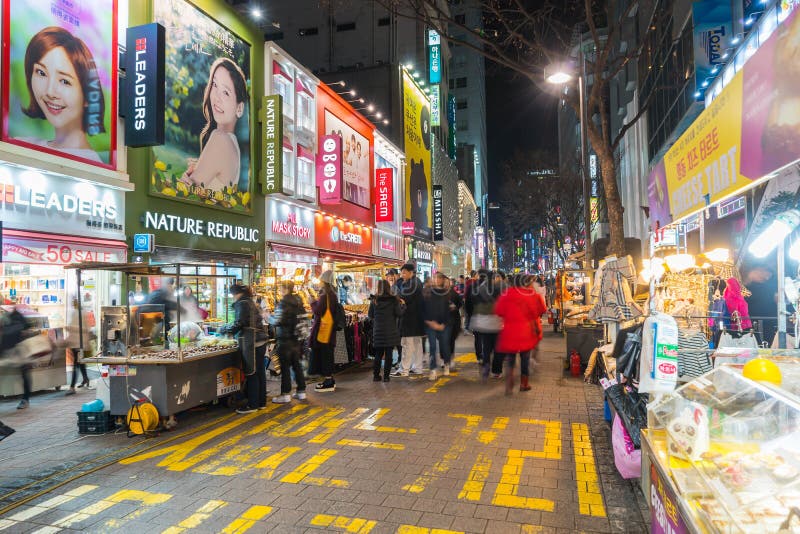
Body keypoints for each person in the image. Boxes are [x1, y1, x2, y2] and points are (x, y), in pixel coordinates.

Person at [19, 27, 105, 163]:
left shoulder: (91, 165)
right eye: (41, 73)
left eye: (65, 81)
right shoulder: (22, 145)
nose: (50, 92)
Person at [180, 57, 248, 194]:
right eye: (215, 85)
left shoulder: (221, 139)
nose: (217, 97)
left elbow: (185, 193)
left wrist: (185, 179)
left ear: (239, 108)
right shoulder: (231, 143)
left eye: (226, 92)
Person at [495, 275, 547, 394]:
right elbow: (542, 310)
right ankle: (524, 383)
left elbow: (499, 311)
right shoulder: (532, 295)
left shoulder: (506, 294)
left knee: (511, 358)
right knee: (525, 358)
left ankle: (509, 382)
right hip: (526, 331)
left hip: (509, 331)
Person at [221, 285, 267, 413]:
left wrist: (225, 329)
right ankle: (260, 403)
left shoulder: (242, 303)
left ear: (235, 294)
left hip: (252, 341)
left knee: (251, 373)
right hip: (260, 340)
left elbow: (239, 323)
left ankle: (252, 405)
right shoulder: (250, 301)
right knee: (259, 374)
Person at [269, 281, 307, 403]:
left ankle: (285, 394)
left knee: (285, 367)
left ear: (285, 289)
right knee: (297, 365)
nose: (279, 290)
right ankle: (301, 392)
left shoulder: (284, 302)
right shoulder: (298, 301)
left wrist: (267, 316)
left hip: (285, 339)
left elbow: (277, 321)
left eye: (280, 288)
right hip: (296, 339)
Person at [470, 271, 506, 380]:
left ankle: (486, 365)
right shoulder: (501, 289)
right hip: (498, 323)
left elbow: (472, 303)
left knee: (486, 348)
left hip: (484, 323)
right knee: (498, 349)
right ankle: (496, 371)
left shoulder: (480, 289)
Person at [310, 270, 341, 392]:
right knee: (327, 354)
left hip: (323, 330)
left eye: (321, 281)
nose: (319, 283)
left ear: (325, 282)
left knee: (325, 355)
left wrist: (312, 302)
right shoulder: (332, 295)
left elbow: (318, 311)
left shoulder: (325, 296)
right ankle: (330, 379)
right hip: (329, 330)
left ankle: (328, 381)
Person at [393, 263, 425, 377]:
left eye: (404, 272)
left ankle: (404, 369)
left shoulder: (412, 284)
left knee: (407, 344)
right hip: (416, 320)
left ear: (411, 272)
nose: (402, 275)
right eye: (402, 272)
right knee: (416, 345)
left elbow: (402, 297)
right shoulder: (416, 282)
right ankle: (417, 368)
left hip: (410, 319)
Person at [368, 280, 404, 382]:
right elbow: (399, 313)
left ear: (378, 288)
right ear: (389, 288)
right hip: (390, 331)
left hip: (378, 330)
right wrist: (403, 306)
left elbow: (370, 315)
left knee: (378, 354)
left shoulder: (374, 300)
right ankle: (386, 377)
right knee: (389, 354)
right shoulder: (394, 300)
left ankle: (376, 376)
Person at [424, 272, 454, 380]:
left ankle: (446, 363)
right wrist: (429, 322)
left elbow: (448, 310)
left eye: (438, 278)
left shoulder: (446, 293)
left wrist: (443, 324)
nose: (436, 280)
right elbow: (423, 308)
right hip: (431, 324)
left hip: (444, 324)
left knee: (444, 346)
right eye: (434, 278)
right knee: (432, 347)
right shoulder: (427, 292)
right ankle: (433, 370)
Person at [1, 305, 32, 409]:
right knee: (23, 374)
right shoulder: (9, 317)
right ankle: (25, 399)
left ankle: (25, 399)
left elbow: (24, 330)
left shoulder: (13, 318)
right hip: (14, 349)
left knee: (24, 374)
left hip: (17, 350)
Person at [65, 297, 91, 395]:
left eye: (74, 302)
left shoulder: (80, 313)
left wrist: (70, 328)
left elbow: (84, 328)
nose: (73, 303)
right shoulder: (78, 313)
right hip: (77, 342)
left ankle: (72, 387)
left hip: (78, 343)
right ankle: (86, 379)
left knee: (76, 364)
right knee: (80, 363)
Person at [385, 268, 403, 368]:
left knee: (397, 341)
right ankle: (395, 360)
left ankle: (400, 360)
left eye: (392, 277)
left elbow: (397, 302)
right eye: (389, 277)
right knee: (393, 342)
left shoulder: (396, 288)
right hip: (390, 319)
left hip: (395, 319)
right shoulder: (386, 288)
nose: (390, 278)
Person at [447, 277, 463, 358]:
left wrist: (455, 307)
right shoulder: (441, 293)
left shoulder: (454, 294)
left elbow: (460, 304)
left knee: (449, 340)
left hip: (452, 320)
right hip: (451, 320)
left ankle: (448, 358)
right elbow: (460, 304)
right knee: (450, 340)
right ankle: (448, 358)